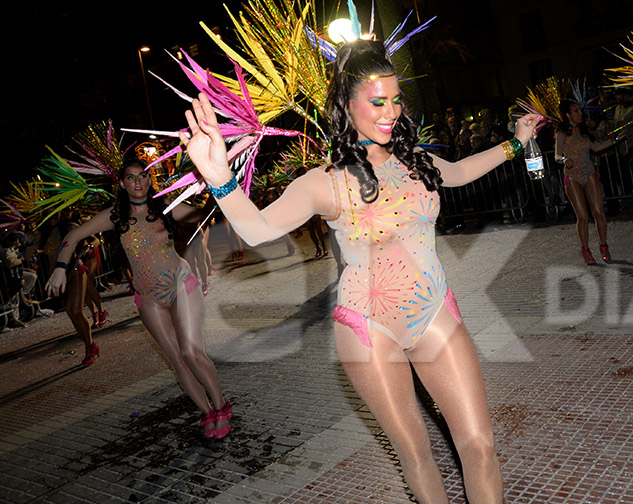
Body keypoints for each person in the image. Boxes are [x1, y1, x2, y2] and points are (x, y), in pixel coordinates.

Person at [181, 39, 540, 503]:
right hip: (368, 328)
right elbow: (258, 229)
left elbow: (464, 170)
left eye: (396, 100)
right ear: (347, 106)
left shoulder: (416, 162)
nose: (390, 111)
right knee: (416, 455)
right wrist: (219, 179)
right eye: (377, 102)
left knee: (480, 445)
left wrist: (516, 142)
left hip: (433, 311)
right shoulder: (324, 181)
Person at [46, 159, 232, 438]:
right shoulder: (115, 216)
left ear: (150, 179)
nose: (137, 182)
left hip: (181, 285)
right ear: (122, 183)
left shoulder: (166, 207)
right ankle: (206, 412)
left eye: (143, 176)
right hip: (148, 297)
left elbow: (201, 215)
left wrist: (219, 188)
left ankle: (221, 406)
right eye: (131, 178)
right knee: (177, 361)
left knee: (190, 352)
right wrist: (60, 268)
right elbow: (73, 236)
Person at [555, 99, 617, 264]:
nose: (580, 114)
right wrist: (564, 158)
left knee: (598, 211)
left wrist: (616, 140)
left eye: (580, 111)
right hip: (572, 176)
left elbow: (595, 148)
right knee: (582, 216)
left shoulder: (584, 132)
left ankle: (603, 245)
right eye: (576, 111)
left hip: (589, 173)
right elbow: (556, 155)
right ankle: (585, 249)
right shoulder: (561, 134)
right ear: (567, 115)